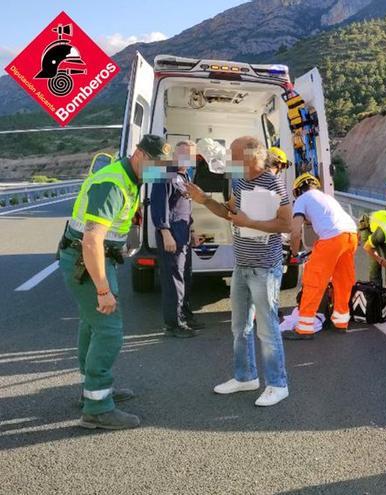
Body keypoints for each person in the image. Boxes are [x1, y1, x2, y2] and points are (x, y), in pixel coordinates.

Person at [58, 134, 170, 430]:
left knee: (92, 324)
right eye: (155, 165)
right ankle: (97, 408)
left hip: (94, 259)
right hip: (87, 261)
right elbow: (92, 240)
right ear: (140, 155)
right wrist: (103, 289)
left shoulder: (129, 179)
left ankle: (92, 392)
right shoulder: (113, 184)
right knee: (108, 330)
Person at [186, 136, 292, 407]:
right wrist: (204, 200)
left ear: (251, 157)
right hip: (241, 265)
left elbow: (285, 225)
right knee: (240, 327)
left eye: (234, 156)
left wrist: (250, 222)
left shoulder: (274, 182)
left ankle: (278, 385)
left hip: (265, 268)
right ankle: (245, 377)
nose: (230, 162)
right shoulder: (239, 181)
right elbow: (228, 212)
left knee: (267, 330)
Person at [287, 173, 358, 338]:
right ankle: (340, 322)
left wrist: (294, 252)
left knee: (314, 279)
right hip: (351, 235)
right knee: (343, 280)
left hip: (332, 238)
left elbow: (296, 231)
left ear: (298, 191)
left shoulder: (302, 200)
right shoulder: (327, 198)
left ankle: (304, 328)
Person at [150, 140, 204, 338]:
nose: (186, 159)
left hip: (183, 235)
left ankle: (186, 316)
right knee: (173, 281)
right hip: (171, 236)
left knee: (185, 278)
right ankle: (174, 324)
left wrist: (192, 233)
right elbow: (158, 206)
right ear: (174, 153)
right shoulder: (166, 174)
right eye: (183, 154)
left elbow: (184, 208)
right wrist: (165, 232)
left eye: (190, 156)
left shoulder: (184, 175)